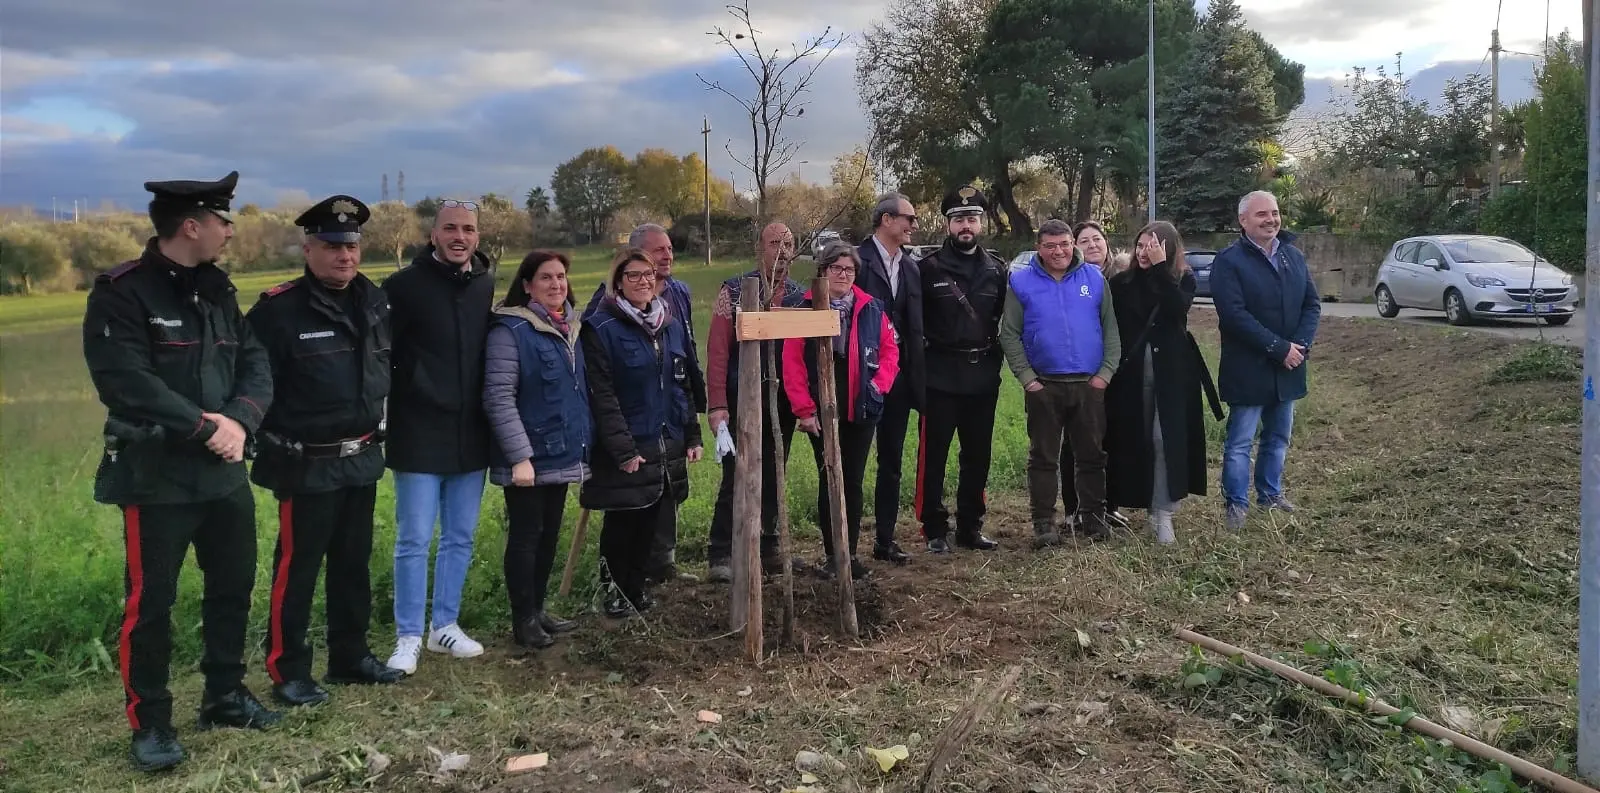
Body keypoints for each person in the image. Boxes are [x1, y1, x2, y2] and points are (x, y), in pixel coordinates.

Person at [82, 170, 280, 772]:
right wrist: (207, 427)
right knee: (152, 603)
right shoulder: (123, 292)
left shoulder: (218, 290)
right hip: (157, 477)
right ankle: (152, 721)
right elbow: (125, 381)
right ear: (192, 225)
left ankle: (224, 693)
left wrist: (240, 422)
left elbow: (253, 361)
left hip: (223, 475)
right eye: (223, 220)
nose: (229, 230)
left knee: (232, 587)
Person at [246, 195, 404, 709]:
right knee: (297, 568)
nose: (345, 256)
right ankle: (287, 668)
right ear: (308, 248)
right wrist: (265, 438)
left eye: (352, 245)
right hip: (306, 461)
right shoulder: (278, 310)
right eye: (333, 246)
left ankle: (350, 655)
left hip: (359, 456)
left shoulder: (374, 301)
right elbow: (251, 381)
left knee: (353, 564)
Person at [381, 199, 496, 673]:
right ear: (433, 234)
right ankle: (408, 635)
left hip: (471, 432)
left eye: (468, 229)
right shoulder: (402, 287)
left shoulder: (485, 285)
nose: (459, 236)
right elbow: (381, 354)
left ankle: (443, 626)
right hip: (418, 431)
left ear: (476, 237)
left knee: (459, 536)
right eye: (450, 228)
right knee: (414, 538)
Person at [579, 248, 704, 617]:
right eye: (633, 275)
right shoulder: (601, 329)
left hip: (663, 439)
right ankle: (614, 592)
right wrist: (622, 449)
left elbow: (680, 384)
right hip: (627, 442)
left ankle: (636, 588)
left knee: (651, 516)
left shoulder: (669, 325)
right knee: (623, 521)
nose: (643, 281)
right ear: (618, 281)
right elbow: (601, 396)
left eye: (648, 274)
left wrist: (692, 435)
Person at [483, 250, 589, 649]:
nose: (556, 284)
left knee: (547, 535)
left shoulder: (569, 327)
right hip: (528, 456)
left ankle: (540, 609)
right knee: (526, 536)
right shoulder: (509, 331)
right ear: (527, 285)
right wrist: (518, 457)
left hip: (560, 449)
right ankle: (523, 619)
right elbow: (498, 396)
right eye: (546, 278)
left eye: (561, 276)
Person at [998, 218, 1120, 548]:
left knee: (1092, 455)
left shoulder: (1093, 278)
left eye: (1065, 244)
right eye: (1051, 246)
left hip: (1088, 385)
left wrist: (1104, 374)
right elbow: (1008, 333)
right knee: (1043, 459)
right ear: (1039, 247)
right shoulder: (1021, 282)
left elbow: (1110, 329)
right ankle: (1044, 526)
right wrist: (1027, 379)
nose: (1059, 251)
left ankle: (1093, 519)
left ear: (1073, 245)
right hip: (1044, 386)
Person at [782, 242, 900, 580]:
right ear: (823, 271)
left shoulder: (871, 307)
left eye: (849, 269)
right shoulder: (805, 309)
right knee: (830, 477)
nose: (843, 274)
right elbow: (791, 364)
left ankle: (849, 554)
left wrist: (878, 386)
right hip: (822, 410)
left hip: (861, 407)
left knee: (853, 480)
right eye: (836, 268)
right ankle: (833, 554)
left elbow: (891, 351)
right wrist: (804, 409)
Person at [1104, 222, 1223, 544]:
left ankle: (1163, 513)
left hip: (1171, 375)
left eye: (1153, 247)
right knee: (1132, 440)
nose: (1144, 252)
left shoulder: (1182, 279)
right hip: (1130, 376)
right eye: (1140, 245)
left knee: (1163, 440)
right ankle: (1125, 503)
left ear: (1168, 250)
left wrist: (1160, 269)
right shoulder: (1121, 282)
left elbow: (1177, 309)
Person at [1210, 190, 1322, 530]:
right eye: (1262, 214)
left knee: (1278, 437)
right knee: (1240, 442)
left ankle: (1270, 495)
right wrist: (1279, 348)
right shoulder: (1229, 262)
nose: (1271, 219)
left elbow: (1311, 305)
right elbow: (1234, 316)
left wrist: (1299, 346)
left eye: (1274, 212)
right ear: (1243, 221)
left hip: (1289, 367)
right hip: (1249, 369)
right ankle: (1236, 505)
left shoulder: (1293, 256)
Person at [704, 223, 808, 581]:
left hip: (782, 402)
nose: (782, 252)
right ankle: (722, 551)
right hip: (741, 398)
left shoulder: (798, 296)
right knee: (737, 473)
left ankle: (767, 546)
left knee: (775, 471)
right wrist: (717, 404)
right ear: (759, 248)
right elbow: (717, 352)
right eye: (775, 243)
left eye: (789, 244)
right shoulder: (734, 291)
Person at [916, 186, 1007, 553]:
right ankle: (935, 529)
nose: (965, 226)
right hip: (939, 375)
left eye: (972, 219)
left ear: (981, 223)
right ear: (947, 224)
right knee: (933, 455)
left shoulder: (996, 270)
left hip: (982, 377)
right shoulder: (927, 270)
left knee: (977, 456)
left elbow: (1004, 320)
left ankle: (971, 526)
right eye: (958, 220)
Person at [1045, 220, 1130, 531]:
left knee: (1109, 439)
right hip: (1080, 374)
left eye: (1098, 238)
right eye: (1085, 240)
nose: (1093, 244)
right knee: (1076, 443)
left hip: (1115, 370)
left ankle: (1108, 505)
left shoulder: (1121, 277)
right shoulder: (1071, 280)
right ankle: (1074, 507)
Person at [854, 193, 921, 566]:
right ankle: (844, 548)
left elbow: (915, 328)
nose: (913, 225)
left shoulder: (911, 267)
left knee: (891, 462)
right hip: (858, 380)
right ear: (885, 219)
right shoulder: (856, 261)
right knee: (854, 465)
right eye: (908, 218)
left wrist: (917, 383)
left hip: (897, 380)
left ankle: (885, 540)